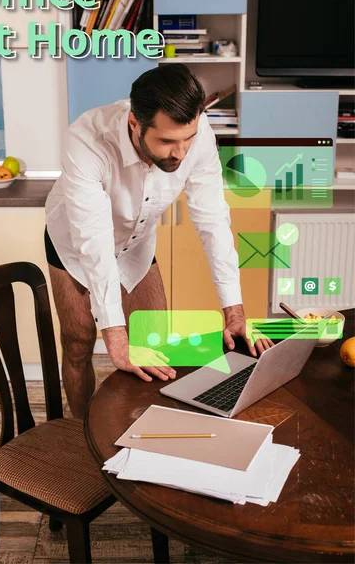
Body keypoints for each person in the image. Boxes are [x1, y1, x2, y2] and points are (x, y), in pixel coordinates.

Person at [45, 64, 273, 419]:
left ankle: (142, 436)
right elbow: (94, 241)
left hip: (135, 242)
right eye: (167, 141)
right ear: (135, 124)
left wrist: (234, 312)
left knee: (154, 343)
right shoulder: (85, 139)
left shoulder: (197, 136)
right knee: (78, 344)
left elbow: (213, 220)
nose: (180, 153)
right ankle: (79, 432)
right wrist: (116, 339)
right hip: (75, 244)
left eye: (187, 139)